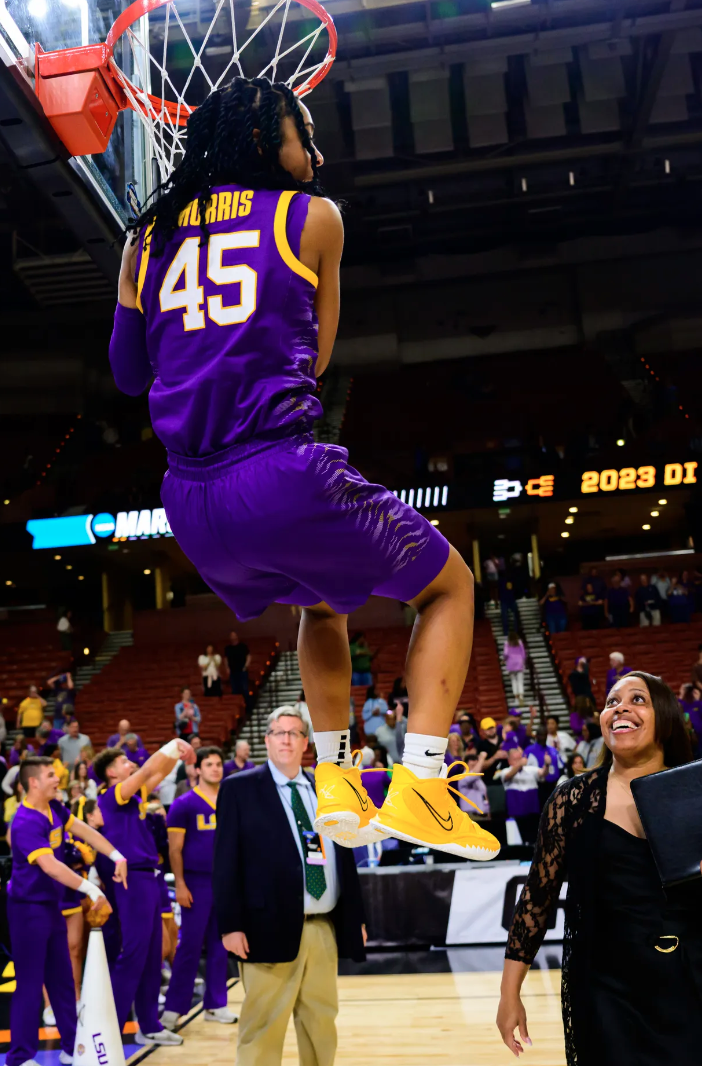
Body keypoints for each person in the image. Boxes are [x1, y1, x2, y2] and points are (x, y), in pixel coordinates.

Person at [111, 78, 489, 861]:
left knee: (322, 604)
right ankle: (421, 787)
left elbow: (126, 372)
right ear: (261, 141)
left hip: (190, 501)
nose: (314, 152)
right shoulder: (314, 218)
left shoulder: (143, 238)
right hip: (278, 471)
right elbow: (313, 358)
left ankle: (339, 785)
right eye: (302, 134)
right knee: (450, 586)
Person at [496, 672, 702, 1062]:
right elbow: (536, 900)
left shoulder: (698, 792)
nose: (621, 708)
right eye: (612, 701)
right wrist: (508, 994)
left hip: (689, 981)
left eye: (637, 700)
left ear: (664, 716)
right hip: (604, 990)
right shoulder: (572, 800)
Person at [214, 708, 366, 1066]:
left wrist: (354, 917)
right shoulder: (239, 789)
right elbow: (224, 863)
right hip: (265, 927)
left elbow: (345, 858)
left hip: (323, 927)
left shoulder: (325, 787)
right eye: (278, 732)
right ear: (266, 740)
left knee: (321, 1023)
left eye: (294, 733)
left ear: (305, 743)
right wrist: (231, 925)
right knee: (263, 1027)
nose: (285, 739)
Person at [7, 755, 126, 1066]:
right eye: (50, 774)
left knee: (62, 980)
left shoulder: (54, 807)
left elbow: (85, 831)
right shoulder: (23, 822)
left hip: (52, 907)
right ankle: (19, 1057)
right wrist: (91, 888)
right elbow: (51, 867)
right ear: (33, 782)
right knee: (30, 985)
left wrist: (116, 855)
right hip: (27, 910)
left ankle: (73, 1047)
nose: (57, 778)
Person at [90, 737, 196, 1045]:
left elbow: (155, 774)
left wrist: (177, 756)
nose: (130, 764)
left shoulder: (135, 797)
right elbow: (148, 769)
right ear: (111, 772)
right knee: (134, 952)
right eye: (123, 762)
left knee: (153, 954)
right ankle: (111, 1027)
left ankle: (149, 1025)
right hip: (131, 879)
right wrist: (173, 745)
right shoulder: (112, 795)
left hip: (150, 877)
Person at [162, 747, 236, 1028]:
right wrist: (180, 884)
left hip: (225, 881)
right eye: (209, 764)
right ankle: (173, 1009)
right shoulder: (183, 804)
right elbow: (175, 850)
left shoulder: (230, 801)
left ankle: (216, 1005)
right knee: (189, 947)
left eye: (219, 764)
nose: (216, 769)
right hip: (195, 881)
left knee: (221, 945)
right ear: (197, 769)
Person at [225, 631, 252, 704]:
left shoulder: (243, 646)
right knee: (235, 690)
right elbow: (226, 659)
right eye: (231, 636)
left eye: (234, 635)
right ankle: (237, 706)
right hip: (233, 671)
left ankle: (248, 706)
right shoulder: (228, 648)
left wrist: (246, 666)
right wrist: (227, 668)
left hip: (242, 671)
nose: (233, 637)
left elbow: (248, 656)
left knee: (245, 688)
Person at [504, 632, 529, 706]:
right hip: (519, 663)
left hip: (511, 663)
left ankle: (516, 699)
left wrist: (504, 659)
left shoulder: (507, 643)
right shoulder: (520, 642)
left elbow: (506, 654)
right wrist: (523, 661)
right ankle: (521, 697)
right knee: (520, 681)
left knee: (513, 681)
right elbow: (523, 654)